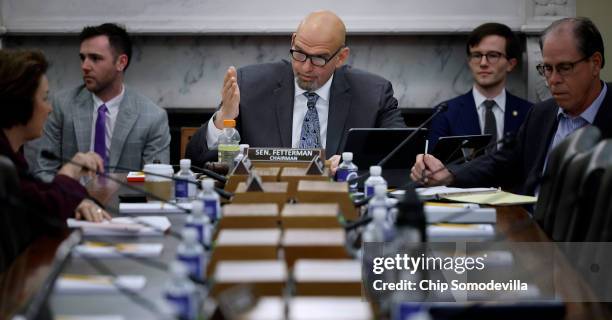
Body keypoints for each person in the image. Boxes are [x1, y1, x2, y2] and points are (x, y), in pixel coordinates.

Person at [411, 17, 611, 196]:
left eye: (565, 68)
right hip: (531, 227)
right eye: (547, 69)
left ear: (595, 63)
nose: (553, 80)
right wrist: (449, 175)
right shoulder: (541, 114)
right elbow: (502, 161)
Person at [185, 10, 406, 170]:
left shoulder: (373, 93)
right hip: (266, 205)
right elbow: (195, 159)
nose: (305, 67)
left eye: (319, 58)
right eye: (299, 53)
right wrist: (224, 119)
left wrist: (355, 162)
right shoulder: (250, 85)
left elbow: (402, 154)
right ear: (293, 40)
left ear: (341, 57)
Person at [27, 23, 170, 181]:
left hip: (123, 202)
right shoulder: (61, 106)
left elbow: (157, 181)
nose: (85, 66)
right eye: (83, 58)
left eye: (95, 58)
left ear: (121, 62)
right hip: (72, 202)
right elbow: (43, 172)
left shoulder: (152, 117)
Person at [0, 49, 110, 223]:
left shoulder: (14, 155)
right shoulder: (3, 163)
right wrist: (68, 172)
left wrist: (79, 202)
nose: (49, 108)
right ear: (21, 102)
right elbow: (43, 211)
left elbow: (40, 193)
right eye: (44, 98)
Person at [427, 23, 532, 150]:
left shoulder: (529, 113)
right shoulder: (445, 113)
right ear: (469, 61)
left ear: (510, 64)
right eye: (476, 55)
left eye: (493, 55)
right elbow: (435, 167)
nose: (483, 63)